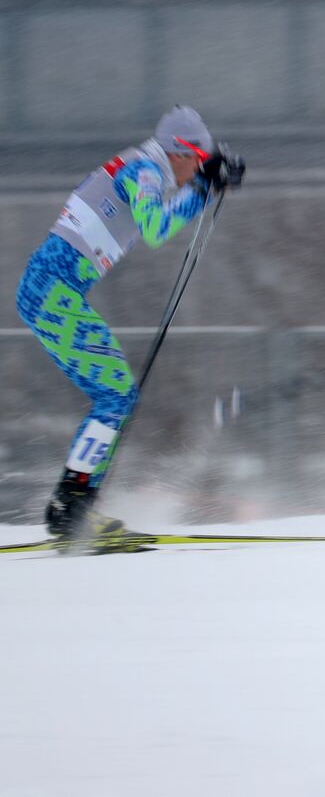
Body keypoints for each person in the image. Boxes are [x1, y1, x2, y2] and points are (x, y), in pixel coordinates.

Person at [15, 105, 245, 546]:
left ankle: (75, 506)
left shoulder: (150, 167)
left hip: (51, 291)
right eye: (195, 160)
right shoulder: (145, 171)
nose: (197, 167)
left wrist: (203, 179)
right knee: (115, 396)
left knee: (118, 396)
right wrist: (201, 190)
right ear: (179, 152)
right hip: (50, 293)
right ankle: (70, 510)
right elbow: (155, 228)